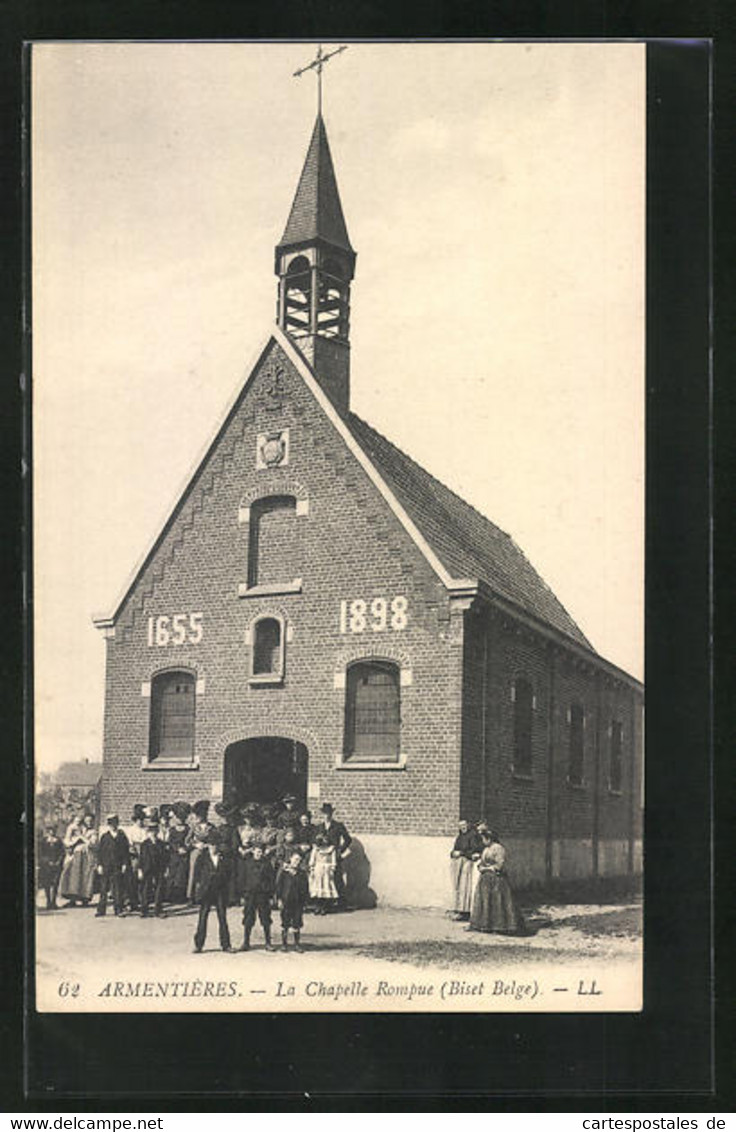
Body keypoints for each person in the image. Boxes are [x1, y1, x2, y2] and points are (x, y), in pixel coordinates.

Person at [466, 831, 527, 936]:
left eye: (484, 839)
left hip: (497, 880)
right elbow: (481, 863)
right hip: (485, 879)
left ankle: (499, 926)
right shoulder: (486, 849)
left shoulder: (499, 848)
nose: (483, 841)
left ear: (489, 838)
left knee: (497, 901)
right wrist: (481, 867)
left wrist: (487, 868)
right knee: (485, 901)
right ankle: (485, 925)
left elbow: (499, 865)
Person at [192, 828, 233, 953]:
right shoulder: (202, 857)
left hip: (220, 891)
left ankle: (225, 945)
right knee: (203, 917)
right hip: (206, 891)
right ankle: (199, 945)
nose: (214, 847)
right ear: (208, 845)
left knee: (222, 917)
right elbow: (196, 874)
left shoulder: (224, 858)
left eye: (216, 845)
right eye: (211, 845)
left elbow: (229, 874)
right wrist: (199, 888)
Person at [240, 843, 276, 951]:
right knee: (248, 918)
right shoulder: (247, 863)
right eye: (256, 851)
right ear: (253, 851)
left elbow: (271, 880)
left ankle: (268, 943)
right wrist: (242, 895)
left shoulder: (267, 864)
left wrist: (270, 895)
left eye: (260, 851)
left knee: (265, 918)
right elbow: (242, 879)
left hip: (263, 895)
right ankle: (246, 942)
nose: (258, 853)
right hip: (250, 895)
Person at [316, 803, 352, 908]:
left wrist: (340, 850)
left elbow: (348, 839)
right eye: (324, 814)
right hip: (322, 856)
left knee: (336, 877)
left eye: (329, 813)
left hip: (334, 855)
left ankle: (339, 902)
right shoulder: (319, 827)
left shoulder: (338, 826)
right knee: (323, 878)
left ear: (332, 814)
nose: (326, 816)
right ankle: (323, 903)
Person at [95, 813, 130, 917]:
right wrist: (99, 865)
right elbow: (100, 852)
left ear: (117, 824)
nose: (113, 826)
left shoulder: (122, 836)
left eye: (115, 823)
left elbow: (125, 852)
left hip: (117, 865)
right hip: (106, 866)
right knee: (103, 889)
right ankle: (101, 910)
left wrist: (124, 864)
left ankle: (118, 909)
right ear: (108, 825)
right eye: (111, 824)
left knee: (117, 888)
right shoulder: (104, 837)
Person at [59, 812, 98, 906]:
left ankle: (85, 899)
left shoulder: (93, 831)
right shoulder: (78, 828)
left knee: (86, 876)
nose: (89, 823)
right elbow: (68, 841)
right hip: (76, 855)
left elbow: (93, 844)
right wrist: (76, 839)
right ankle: (73, 899)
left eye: (91, 821)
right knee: (74, 876)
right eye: (87, 821)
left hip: (87, 856)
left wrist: (82, 838)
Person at [274, 850, 309, 952]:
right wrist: (279, 899)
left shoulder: (302, 874)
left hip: (297, 902)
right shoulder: (284, 873)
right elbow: (279, 887)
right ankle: (284, 944)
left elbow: (305, 889)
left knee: (296, 923)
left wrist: (305, 902)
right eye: (295, 859)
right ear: (290, 859)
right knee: (285, 923)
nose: (297, 862)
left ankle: (297, 944)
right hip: (286, 901)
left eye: (299, 860)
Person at [448, 818, 482, 921]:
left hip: (466, 863)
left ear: (468, 825)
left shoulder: (473, 836)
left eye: (464, 825)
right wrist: (453, 853)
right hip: (457, 863)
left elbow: (474, 852)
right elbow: (454, 849)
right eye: (460, 826)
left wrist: (462, 853)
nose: (463, 827)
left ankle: (464, 911)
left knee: (464, 886)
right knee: (456, 886)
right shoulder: (460, 837)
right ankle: (456, 908)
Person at [138, 819, 168, 917]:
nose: (153, 833)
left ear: (157, 832)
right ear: (148, 832)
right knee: (146, 888)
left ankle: (158, 910)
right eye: (151, 831)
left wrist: (166, 869)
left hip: (159, 869)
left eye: (155, 831)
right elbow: (141, 858)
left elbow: (165, 858)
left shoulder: (161, 844)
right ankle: (144, 909)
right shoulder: (145, 844)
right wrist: (140, 870)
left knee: (159, 889)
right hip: (147, 869)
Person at [164, 802, 191, 905]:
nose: (180, 820)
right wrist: (176, 848)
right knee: (172, 875)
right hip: (174, 855)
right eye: (178, 818)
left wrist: (186, 849)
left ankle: (180, 897)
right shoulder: (172, 830)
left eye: (182, 818)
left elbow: (190, 841)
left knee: (182, 876)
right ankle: (169, 896)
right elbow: (170, 842)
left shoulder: (188, 830)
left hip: (184, 856)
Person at [186, 800, 212, 903]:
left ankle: (203, 895)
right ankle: (190, 896)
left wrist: (207, 845)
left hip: (207, 852)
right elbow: (187, 841)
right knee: (193, 874)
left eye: (201, 816)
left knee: (205, 874)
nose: (199, 818)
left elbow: (215, 840)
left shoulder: (211, 827)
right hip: (195, 852)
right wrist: (195, 844)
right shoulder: (193, 827)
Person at [308, 832, 338, 915]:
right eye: (323, 840)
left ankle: (324, 907)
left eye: (326, 839)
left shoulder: (331, 849)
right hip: (318, 869)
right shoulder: (316, 849)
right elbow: (312, 859)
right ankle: (317, 906)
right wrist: (312, 869)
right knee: (318, 887)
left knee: (326, 886)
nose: (325, 841)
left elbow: (333, 860)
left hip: (327, 870)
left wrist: (332, 869)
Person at [124, 804, 147, 912]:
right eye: (139, 820)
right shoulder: (130, 830)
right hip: (134, 857)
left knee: (143, 880)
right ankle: (130, 902)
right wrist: (133, 850)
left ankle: (141, 902)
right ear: (135, 820)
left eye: (142, 820)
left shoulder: (145, 830)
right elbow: (129, 844)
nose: (141, 822)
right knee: (132, 879)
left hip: (144, 855)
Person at [37, 824, 65, 909]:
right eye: (49, 830)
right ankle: (48, 901)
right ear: (47, 831)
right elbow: (40, 853)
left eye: (53, 830)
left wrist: (58, 861)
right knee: (47, 883)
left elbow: (62, 853)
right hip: (46, 866)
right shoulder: (43, 841)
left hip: (56, 865)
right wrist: (47, 861)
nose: (51, 832)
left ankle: (53, 902)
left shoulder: (59, 841)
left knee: (56, 883)